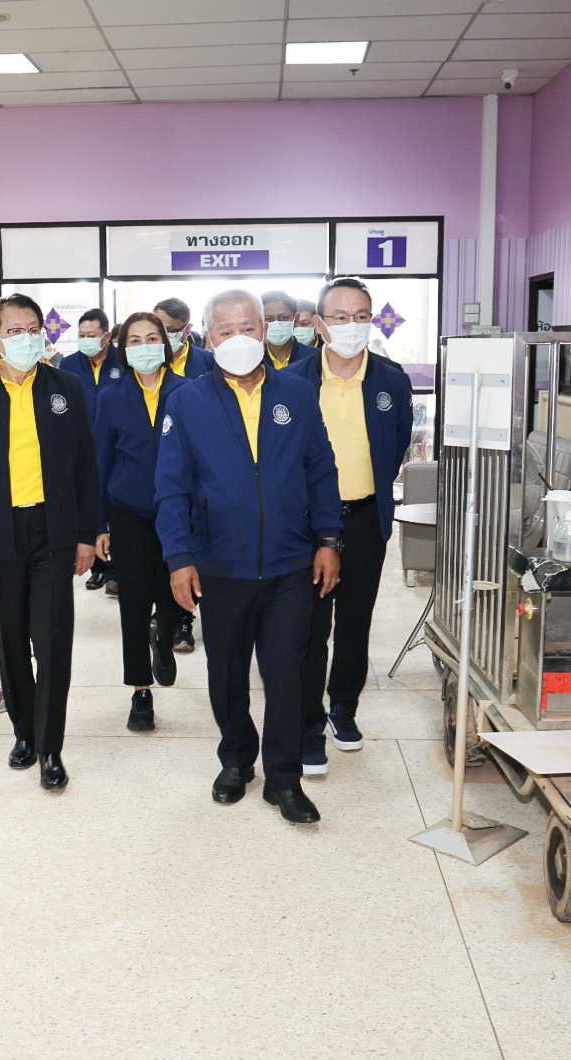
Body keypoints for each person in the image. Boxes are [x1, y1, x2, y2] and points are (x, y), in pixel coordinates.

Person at [155, 288, 342, 824]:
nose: (239, 338)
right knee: (227, 670)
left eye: (248, 327)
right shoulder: (186, 401)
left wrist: (328, 540)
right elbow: (171, 488)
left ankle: (283, 778)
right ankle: (236, 758)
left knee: (287, 672)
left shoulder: (297, 392)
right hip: (220, 563)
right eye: (226, 330)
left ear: (265, 330)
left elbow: (320, 468)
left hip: (290, 563)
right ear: (208, 338)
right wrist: (179, 558)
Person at [0, 293, 98, 791]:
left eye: (33, 329)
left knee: (52, 643)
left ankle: (51, 747)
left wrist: (87, 534)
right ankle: (24, 732)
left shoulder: (66, 387)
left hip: (53, 532)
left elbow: (85, 466)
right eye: (15, 331)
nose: (27, 338)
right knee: (10, 640)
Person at [290, 278, 414, 775]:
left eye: (361, 316)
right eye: (339, 317)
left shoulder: (391, 380)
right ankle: (307, 724)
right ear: (319, 325)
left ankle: (343, 708)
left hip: (364, 518)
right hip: (306, 525)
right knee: (309, 627)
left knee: (355, 624)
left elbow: (396, 445)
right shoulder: (293, 381)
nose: (351, 326)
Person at [92, 311, 188, 732]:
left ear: (165, 344)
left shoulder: (188, 391)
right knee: (133, 601)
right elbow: (99, 461)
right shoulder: (111, 396)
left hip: (177, 510)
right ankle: (140, 691)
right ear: (123, 349)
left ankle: (164, 639)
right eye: (135, 340)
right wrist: (99, 523)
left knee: (173, 594)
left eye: (152, 338)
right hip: (128, 509)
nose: (144, 347)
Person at [153, 297, 213, 653]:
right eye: (160, 329)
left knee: (191, 550)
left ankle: (184, 621)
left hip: (199, 471)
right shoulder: (144, 358)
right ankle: (162, 614)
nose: (165, 336)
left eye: (173, 330)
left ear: (187, 330)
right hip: (158, 469)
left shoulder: (206, 363)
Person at [59, 308, 124, 590]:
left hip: (117, 448)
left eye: (91, 335)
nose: (85, 340)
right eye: (81, 335)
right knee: (90, 506)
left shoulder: (123, 361)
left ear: (106, 336)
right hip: (83, 448)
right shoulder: (68, 364)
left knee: (117, 506)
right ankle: (98, 568)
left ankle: (117, 569)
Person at [153, 297, 214, 381]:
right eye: (159, 329)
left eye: (171, 330)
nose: (163, 336)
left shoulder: (208, 361)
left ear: (188, 329)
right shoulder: (144, 360)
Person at [260, 290, 321, 372]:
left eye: (283, 317)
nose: (276, 323)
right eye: (268, 319)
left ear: (296, 319)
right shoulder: (254, 360)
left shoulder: (317, 357)